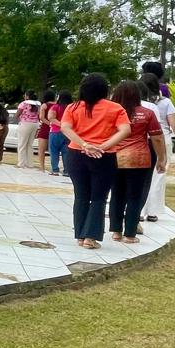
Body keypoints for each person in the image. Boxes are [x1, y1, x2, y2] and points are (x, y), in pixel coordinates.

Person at [61, 73, 131, 249]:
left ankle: (80, 235)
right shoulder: (115, 108)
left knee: (81, 195)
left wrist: (84, 144)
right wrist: (103, 146)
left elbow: (65, 127)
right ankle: (90, 238)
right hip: (104, 156)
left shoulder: (73, 108)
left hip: (76, 154)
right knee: (99, 197)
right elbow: (125, 130)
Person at [108, 79, 167, 244]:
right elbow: (157, 138)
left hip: (115, 157)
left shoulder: (112, 112)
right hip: (139, 159)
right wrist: (162, 159)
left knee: (117, 195)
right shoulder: (147, 113)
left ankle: (116, 232)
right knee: (135, 197)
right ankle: (130, 234)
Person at [140, 72, 175, 223]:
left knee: (142, 177)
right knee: (158, 176)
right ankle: (152, 212)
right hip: (162, 139)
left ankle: (139, 210)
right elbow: (174, 124)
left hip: (143, 140)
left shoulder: (138, 103)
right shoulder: (165, 102)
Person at [46, 91, 73, 176]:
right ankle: (66, 171)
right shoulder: (71, 108)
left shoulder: (55, 107)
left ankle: (55, 170)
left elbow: (50, 117)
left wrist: (61, 124)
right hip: (68, 132)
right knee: (66, 152)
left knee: (54, 151)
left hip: (55, 131)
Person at [15, 91, 41, 168]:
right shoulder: (38, 104)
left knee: (22, 144)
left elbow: (17, 114)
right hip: (35, 124)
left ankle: (21, 163)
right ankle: (30, 164)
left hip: (25, 123)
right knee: (29, 145)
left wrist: (18, 120)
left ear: (27, 96)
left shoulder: (24, 103)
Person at [37, 90, 57, 172]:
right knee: (53, 150)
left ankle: (42, 167)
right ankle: (54, 167)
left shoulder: (44, 105)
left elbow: (41, 117)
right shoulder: (57, 105)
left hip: (45, 128)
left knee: (41, 149)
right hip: (55, 128)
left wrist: (49, 123)